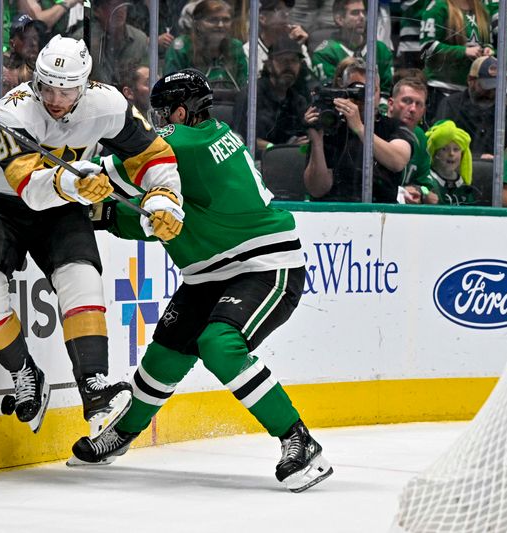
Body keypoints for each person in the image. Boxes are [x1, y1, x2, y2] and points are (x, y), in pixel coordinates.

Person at [69, 68, 333, 494]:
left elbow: (108, 173)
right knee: (163, 357)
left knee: (220, 345)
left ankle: (300, 440)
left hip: (264, 267)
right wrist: (106, 214)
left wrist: (60, 174)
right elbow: (162, 216)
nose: (156, 124)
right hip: (208, 274)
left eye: (160, 115)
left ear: (179, 111)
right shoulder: (200, 140)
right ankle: (121, 435)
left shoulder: (184, 143)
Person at [0, 35, 182, 437]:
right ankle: (26, 373)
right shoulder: (11, 111)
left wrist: (165, 198)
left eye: (67, 90)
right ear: (35, 80)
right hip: (4, 205)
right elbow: (27, 186)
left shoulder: (108, 104)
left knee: (81, 280)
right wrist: (76, 185)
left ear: (85, 85)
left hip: (62, 206)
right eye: (47, 88)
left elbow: (154, 154)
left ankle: (94, 386)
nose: (56, 99)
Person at [304, 57, 416, 202]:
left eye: (371, 90)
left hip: (381, 214)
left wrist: (359, 128)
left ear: (379, 91)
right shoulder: (330, 127)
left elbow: (398, 161)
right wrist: (317, 142)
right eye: (356, 89)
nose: (365, 97)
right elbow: (317, 189)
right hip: (334, 213)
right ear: (343, 90)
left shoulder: (393, 126)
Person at [233, 36, 310, 158]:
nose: (289, 66)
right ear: (268, 65)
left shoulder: (298, 100)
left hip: (289, 162)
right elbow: (242, 139)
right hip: (255, 162)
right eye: (283, 61)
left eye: (294, 61)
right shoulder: (251, 95)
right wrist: (277, 150)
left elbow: (302, 141)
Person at [419, 0, 492, 120]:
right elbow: (427, 48)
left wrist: (488, 50)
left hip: (471, 93)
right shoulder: (438, 7)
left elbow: (488, 43)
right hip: (440, 90)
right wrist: (463, 51)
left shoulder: (482, 11)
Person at [435, 56, 507, 159]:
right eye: (486, 86)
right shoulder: (451, 106)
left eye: (495, 87)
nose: (491, 93)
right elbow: (440, 146)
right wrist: (477, 157)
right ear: (470, 80)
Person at [165, 0, 248, 97]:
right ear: (197, 24)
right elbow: (171, 89)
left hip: (231, 108)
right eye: (213, 20)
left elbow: (243, 88)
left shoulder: (235, 47)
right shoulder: (181, 48)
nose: (220, 25)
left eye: (226, 20)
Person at [311, 0, 394, 95]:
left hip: (374, 108)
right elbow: (331, 92)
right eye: (355, 13)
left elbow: (385, 93)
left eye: (364, 12)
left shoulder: (381, 49)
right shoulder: (325, 53)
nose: (362, 17)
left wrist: (378, 109)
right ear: (340, 19)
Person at [71, 0, 149, 86]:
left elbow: (147, 77)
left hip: (129, 96)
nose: (119, 10)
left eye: (122, 5)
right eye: (112, 5)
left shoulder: (140, 39)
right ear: (97, 11)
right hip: (95, 96)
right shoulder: (83, 40)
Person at [386, 76, 438, 204]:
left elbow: (427, 185)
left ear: (423, 111)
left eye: (418, 104)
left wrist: (421, 191)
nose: (412, 109)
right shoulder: (376, 130)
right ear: (391, 104)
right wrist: (401, 191)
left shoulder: (420, 136)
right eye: (406, 101)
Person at [423, 119, 476, 205]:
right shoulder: (426, 179)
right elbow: (421, 188)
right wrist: (425, 193)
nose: (451, 154)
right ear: (434, 153)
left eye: (456, 149)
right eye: (444, 149)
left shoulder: (464, 186)